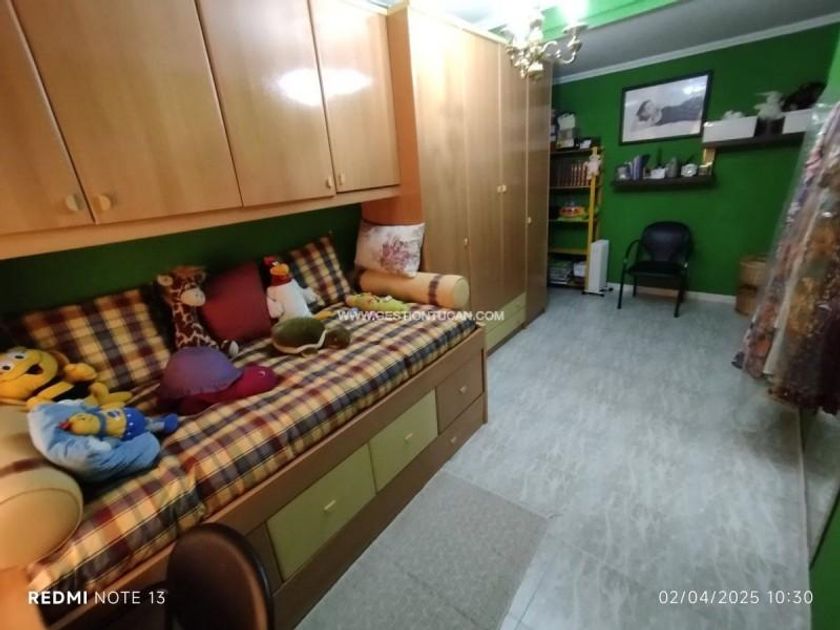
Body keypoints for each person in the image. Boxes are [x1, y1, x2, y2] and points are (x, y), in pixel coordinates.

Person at [636, 95, 704, 126]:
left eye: (652, 104)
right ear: (646, 113)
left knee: (695, 100)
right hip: (689, 113)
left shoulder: (663, 110)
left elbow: (678, 107)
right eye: (649, 107)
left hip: (685, 107)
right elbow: (682, 116)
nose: (653, 106)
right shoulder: (657, 123)